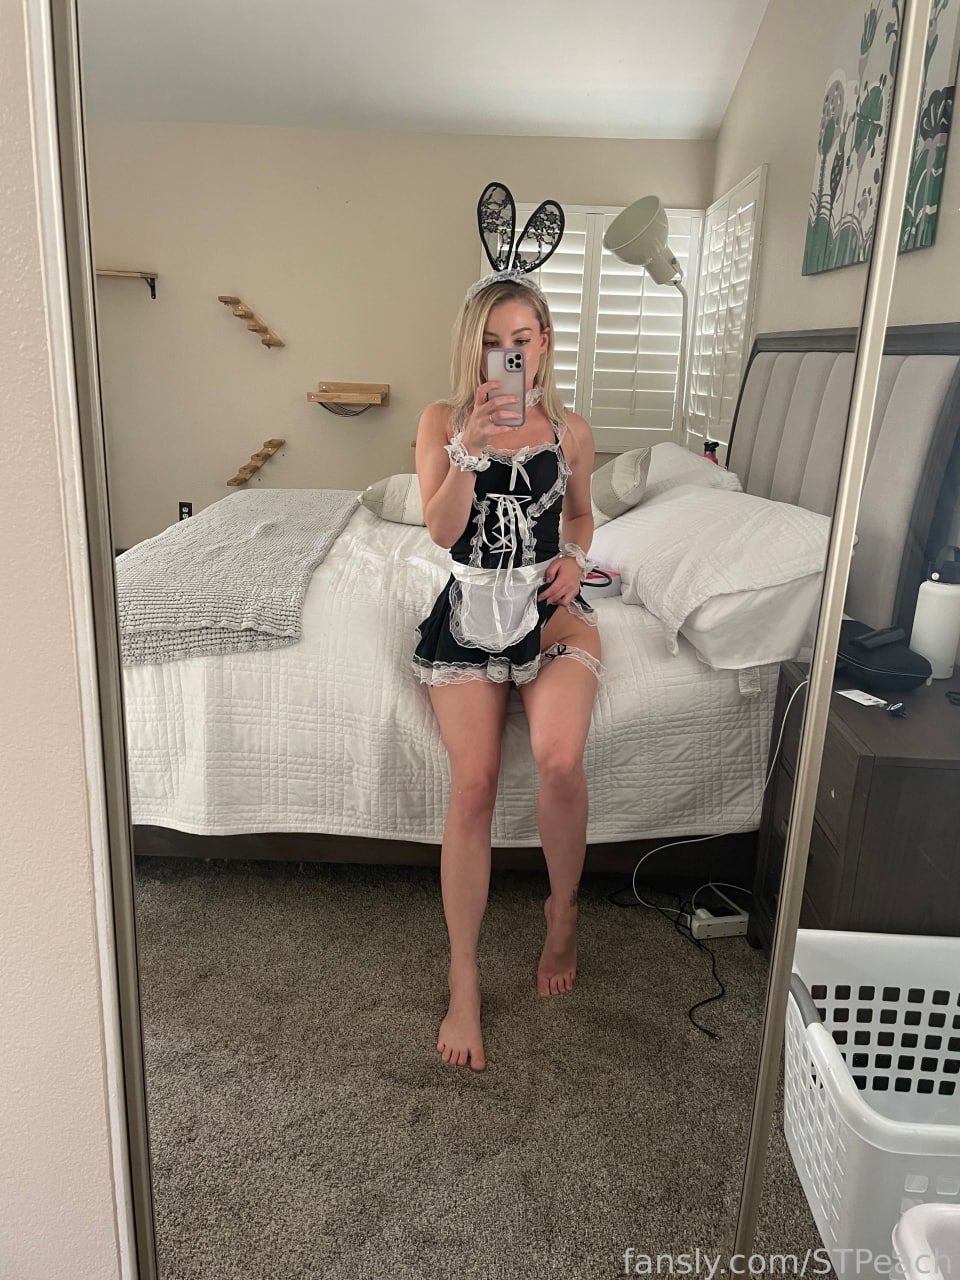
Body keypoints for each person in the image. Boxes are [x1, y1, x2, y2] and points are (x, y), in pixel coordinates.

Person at [413, 201, 603, 1071]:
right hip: (470, 618)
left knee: (560, 760)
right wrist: (469, 448)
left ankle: (563, 912)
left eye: (523, 339)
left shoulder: (572, 432)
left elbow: (582, 517)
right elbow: (441, 532)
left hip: (550, 612)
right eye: (494, 342)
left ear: (546, 344)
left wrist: (575, 560)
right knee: (476, 784)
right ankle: (464, 975)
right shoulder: (441, 421)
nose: (510, 354)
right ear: (474, 347)